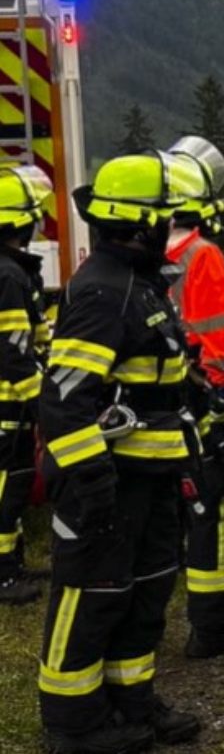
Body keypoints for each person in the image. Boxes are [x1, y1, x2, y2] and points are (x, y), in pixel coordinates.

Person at [38, 152, 201, 754]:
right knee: (93, 597)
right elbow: (64, 401)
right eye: (163, 217)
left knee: (146, 592)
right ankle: (74, 725)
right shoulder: (104, 291)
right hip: (110, 481)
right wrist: (92, 480)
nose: (169, 227)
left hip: (152, 478)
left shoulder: (139, 283)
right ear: (138, 223)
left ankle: (131, 703)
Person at [164, 136, 224, 660]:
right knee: (217, 510)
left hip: (157, 405)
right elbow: (220, 346)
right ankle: (214, 625)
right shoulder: (203, 256)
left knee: (167, 511)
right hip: (204, 403)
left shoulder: (138, 248)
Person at [0, 165, 52, 605]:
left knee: (13, 483)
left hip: (10, 402)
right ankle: (2, 575)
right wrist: (44, 402)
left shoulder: (13, 272)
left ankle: (12, 562)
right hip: (8, 404)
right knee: (7, 484)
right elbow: (14, 353)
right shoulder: (9, 277)